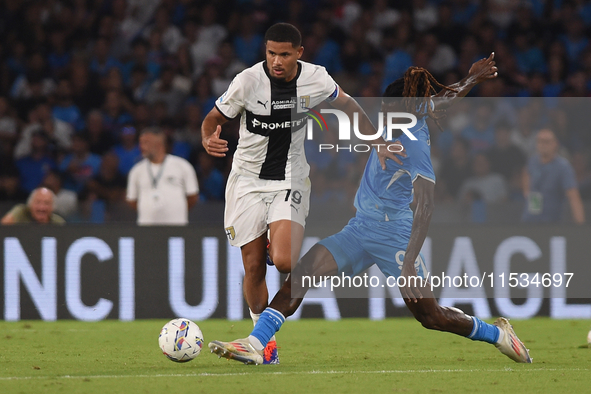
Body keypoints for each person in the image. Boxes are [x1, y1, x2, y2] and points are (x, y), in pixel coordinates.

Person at [209, 54, 532, 365]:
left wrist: (408, 261)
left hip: (394, 235)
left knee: (430, 316)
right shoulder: (411, 111)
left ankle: (497, 335)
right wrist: (472, 77)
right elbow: (443, 100)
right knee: (302, 274)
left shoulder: (414, 143)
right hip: (361, 227)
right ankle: (256, 344)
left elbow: (427, 205)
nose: (384, 116)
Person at [201, 23, 404, 364]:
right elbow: (212, 118)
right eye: (270, 53)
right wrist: (208, 137)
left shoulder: (317, 79)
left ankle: (272, 246)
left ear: (298, 53)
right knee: (253, 268)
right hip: (247, 181)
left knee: (283, 260)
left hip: (290, 180)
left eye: (283, 54)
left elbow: (350, 106)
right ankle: (264, 343)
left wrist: (377, 141)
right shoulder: (247, 82)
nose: (276, 61)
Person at [126, 127, 198, 225]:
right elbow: (132, 200)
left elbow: (192, 196)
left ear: (159, 144)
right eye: (140, 143)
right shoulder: (136, 170)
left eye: (146, 142)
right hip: (147, 229)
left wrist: (176, 210)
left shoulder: (182, 166)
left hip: (176, 228)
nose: (141, 147)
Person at [522, 129, 585, 224]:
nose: (542, 144)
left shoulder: (563, 167)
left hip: (551, 223)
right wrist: (527, 192)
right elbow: (526, 174)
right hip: (529, 220)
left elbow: (573, 196)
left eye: (546, 141)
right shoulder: (533, 161)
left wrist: (580, 225)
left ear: (555, 144)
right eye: (539, 141)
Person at [1, 187, 65, 224]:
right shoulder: (21, 212)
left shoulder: (57, 223)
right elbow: (4, 227)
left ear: (52, 207)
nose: (41, 208)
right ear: (30, 204)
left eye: (47, 203)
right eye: (38, 202)